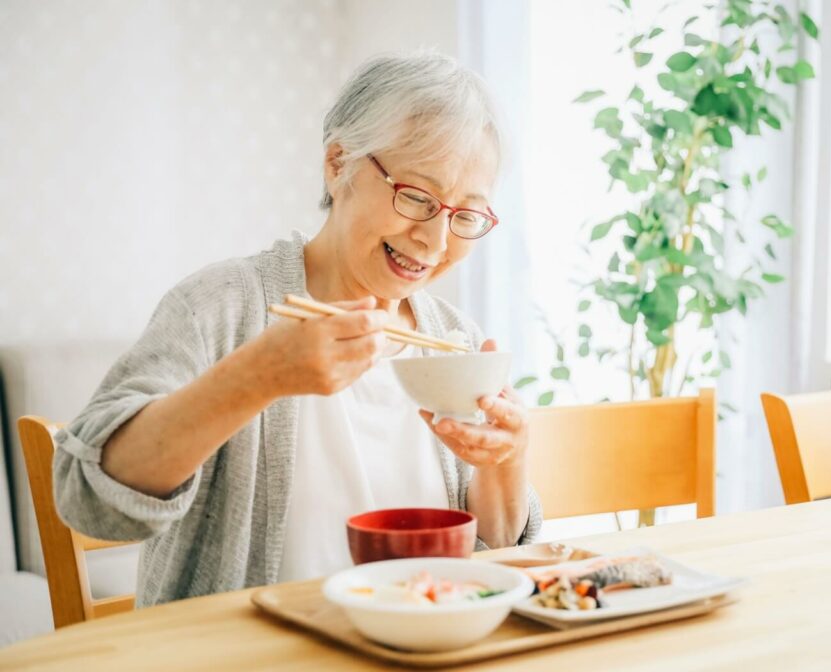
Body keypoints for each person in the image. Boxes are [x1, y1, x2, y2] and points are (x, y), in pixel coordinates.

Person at [53, 52, 542, 607]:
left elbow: (493, 560)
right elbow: (88, 500)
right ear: (338, 164)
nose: (435, 241)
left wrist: (507, 461)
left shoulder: (456, 343)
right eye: (416, 197)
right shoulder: (220, 307)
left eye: (466, 215)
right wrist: (258, 377)